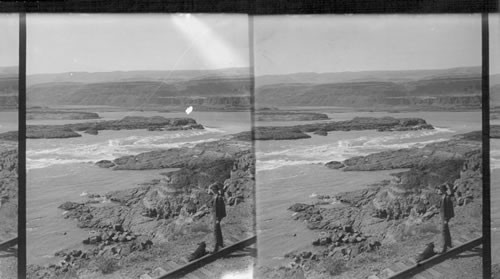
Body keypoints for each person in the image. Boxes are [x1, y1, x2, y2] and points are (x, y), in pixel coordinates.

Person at [208, 182, 227, 253]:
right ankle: (221, 244)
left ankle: (215, 248)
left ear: (214, 189)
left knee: (215, 231)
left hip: (216, 216)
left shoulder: (217, 197)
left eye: (211, 189)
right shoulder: (216, 196)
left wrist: (218, 219)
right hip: (215, 216)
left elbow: (219, 209)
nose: (210, 191)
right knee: (218, 230)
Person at [439, 183, 454, 253]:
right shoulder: (443, 196)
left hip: (444, 217)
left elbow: (448, 209)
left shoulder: (446, 198)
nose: (439, 191)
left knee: (443, 232)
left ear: (442, 190)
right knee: (446, 231)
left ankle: (444, 248)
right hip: (443, 217)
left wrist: (446, 219)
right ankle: (449, 244)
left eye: (440, 189)